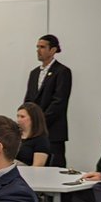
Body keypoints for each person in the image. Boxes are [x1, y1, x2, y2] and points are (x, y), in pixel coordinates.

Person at [23, 34, 72, 167]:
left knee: (54, 165)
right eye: (37, 47)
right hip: (34, 130)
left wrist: (39, 121)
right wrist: (26, 119)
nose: (38, 50)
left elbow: (59, 101)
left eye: (43, 47)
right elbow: (29, 100)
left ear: (53, 50)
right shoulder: (34, 73)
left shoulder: (62, 71)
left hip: (53, 130)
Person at [15, 102, 51, 167]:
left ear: (33, 118)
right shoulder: (14, 136)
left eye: (22, 117)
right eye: (18, 116)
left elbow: (37, 166)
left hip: (27, 174)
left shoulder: (41, 140)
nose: (18, 120)